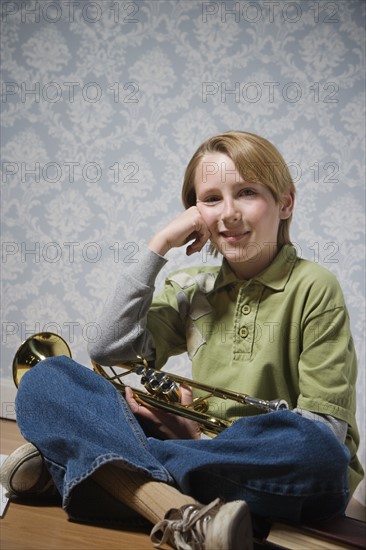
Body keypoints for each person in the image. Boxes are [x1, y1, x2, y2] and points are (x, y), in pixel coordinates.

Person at [1, 131, 363, 550]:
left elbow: (327, 429)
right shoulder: (193, 286)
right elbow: (107, 348)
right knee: (48, 379)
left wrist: (193, 439)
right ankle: (180, 511)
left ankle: (92, 474)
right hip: (205, 462)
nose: (228, 213)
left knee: (317, 451)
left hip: (276, 471)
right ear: (195, 212)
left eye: (246, 192)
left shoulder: (316, 286)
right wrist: (159, 246)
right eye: (211, 199)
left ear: (285, 202)